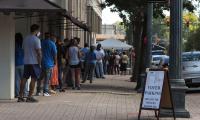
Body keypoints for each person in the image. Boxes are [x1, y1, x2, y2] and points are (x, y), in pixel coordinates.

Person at [18, 24, 42, 102]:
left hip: (26, 62)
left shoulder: (25, 39)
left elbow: (23, 49)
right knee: (33, 79)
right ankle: (30, 97)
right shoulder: (36, 39)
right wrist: (40, 62)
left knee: (24, 78)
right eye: (38, 30)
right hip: (34, 62)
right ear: (36, 30)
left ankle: (20, 96)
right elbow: (39, 52)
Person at [15, 33, 28, 98]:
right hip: (23, 64)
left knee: (17, 80)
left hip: (16, 64)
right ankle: (25, 93)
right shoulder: (24, 45)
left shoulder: (14, 45)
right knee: (24, 79)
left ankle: (17, 93)